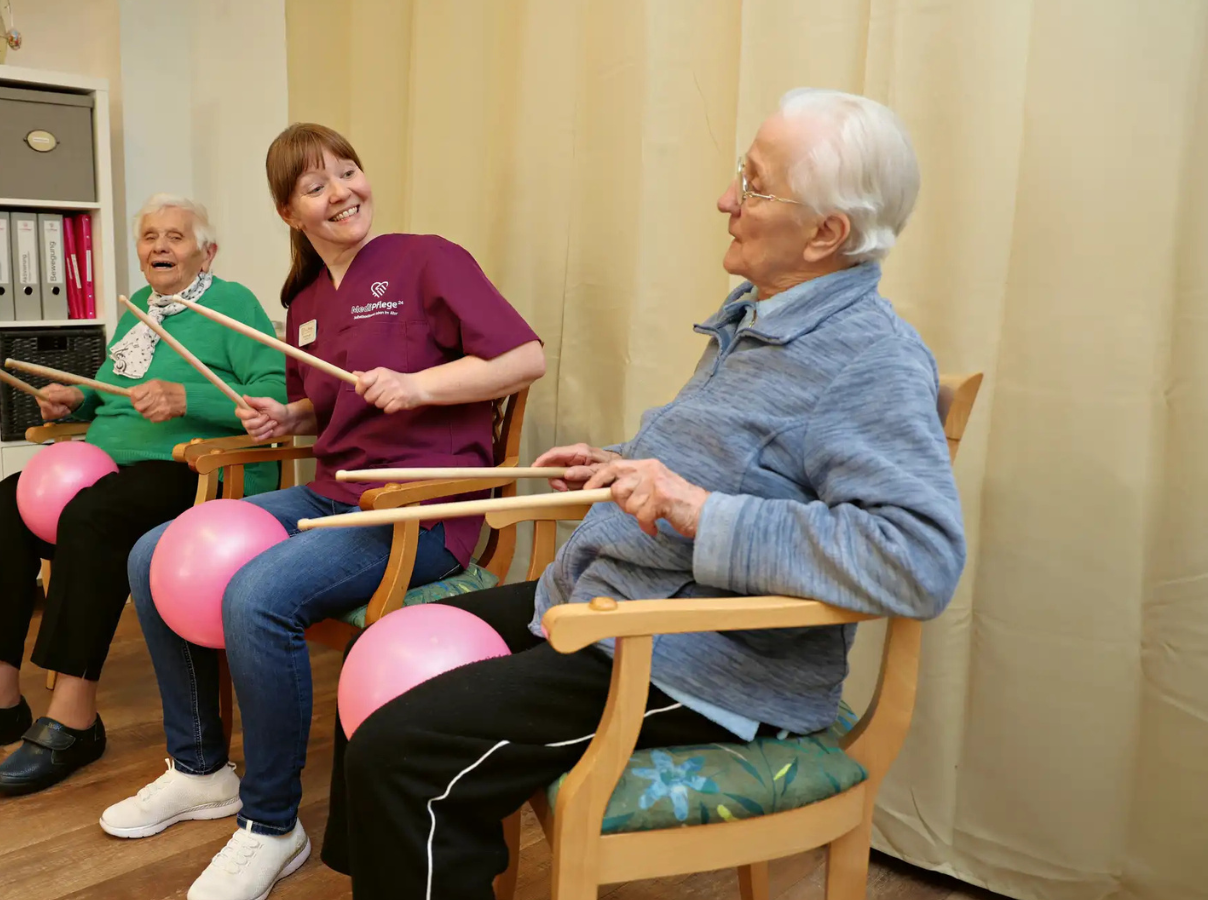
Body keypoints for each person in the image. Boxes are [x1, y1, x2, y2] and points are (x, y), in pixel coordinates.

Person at [319, 88, 968, 899]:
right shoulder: (761, 315)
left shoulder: (870, 359)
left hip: (700, 659)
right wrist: (617, 463)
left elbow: (917, 559)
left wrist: (696, 511)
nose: (726, 199)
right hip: (616, 602)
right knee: (388, 648)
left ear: (825, 234)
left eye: (754, 186)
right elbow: (735, 459)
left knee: (404, 753)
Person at [100, 124, 546, 900]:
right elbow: (327, 403)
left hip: (420, 510)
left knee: (258, 596)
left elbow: (525, 358)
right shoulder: (304, 301)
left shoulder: (427, 259)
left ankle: (273, 823)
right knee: (152, 554)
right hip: (335, 492)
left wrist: (420, 386)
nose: (342, 191)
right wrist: (289, 416)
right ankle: (201, 769)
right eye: (316, 185)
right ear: (290, 211)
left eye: (348, 172)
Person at [0, 194, 287, 796]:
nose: (160, 246)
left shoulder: (233, 304)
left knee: (94, 515)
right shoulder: (140, 308)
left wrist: (186, 399)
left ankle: (74, 716)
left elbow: (273, 397)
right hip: (110, 465)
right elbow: (111, 390)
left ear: (207, 251)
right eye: (149, 236)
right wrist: (74, 399)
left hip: (195, 471)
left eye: (176, 236)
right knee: (1, 506)